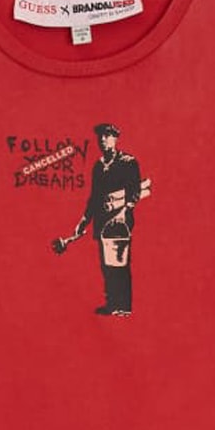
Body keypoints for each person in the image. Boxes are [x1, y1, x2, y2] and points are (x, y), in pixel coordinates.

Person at [73, 123, 142, 316]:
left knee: (120, 263)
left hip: (121, 221)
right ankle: (112, 303)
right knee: (106, 265)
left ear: (115, 138)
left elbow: (135, 191)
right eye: (100, 137)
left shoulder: (128, 162)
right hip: (102, 221)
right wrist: (84, 220)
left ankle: (124, 306)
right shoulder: (98, 166)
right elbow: (94, 197)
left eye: (107, 136)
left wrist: (124, 212)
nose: (103, 140)